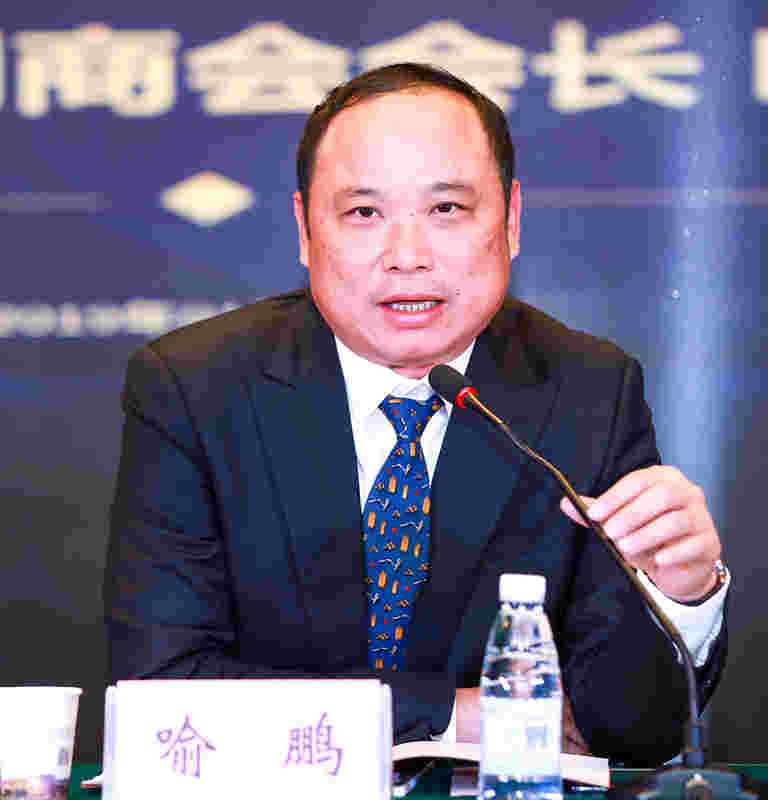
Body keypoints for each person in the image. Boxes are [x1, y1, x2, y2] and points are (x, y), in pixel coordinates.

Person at [105, 63, 728, 766]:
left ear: (511, 220)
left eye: (447, 210)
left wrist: (680, 594)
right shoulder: (195, 387)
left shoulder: (589, 390)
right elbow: (162, 692)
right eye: (364, 213)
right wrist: (460, 716)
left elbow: (627, 733)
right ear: (305, 230)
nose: (408, 257)